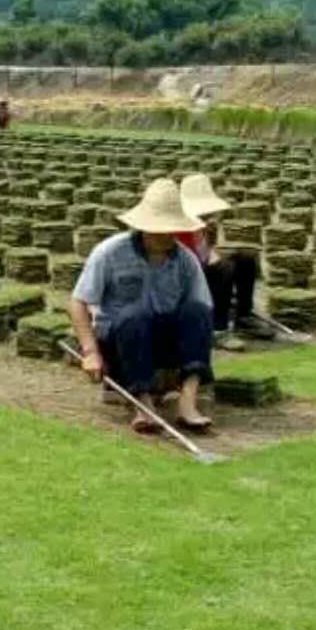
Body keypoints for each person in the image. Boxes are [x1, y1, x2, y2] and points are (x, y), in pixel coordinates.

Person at [69, 177, 214, 434]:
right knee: (135, 314)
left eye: (172, 228)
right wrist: (90, 352)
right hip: (120, 341)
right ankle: (143, 404)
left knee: (198, 310)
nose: (167, 235)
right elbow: (78, 301)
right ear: (143, 226)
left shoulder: (185, 260)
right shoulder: (109, 252)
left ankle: (187, 400)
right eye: (160, 228)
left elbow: (202, 310)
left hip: (164, 341)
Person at [178, 172, 274, 341]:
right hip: (183, 278)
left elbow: (205, 254)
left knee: (245, 259)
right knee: (223, 269)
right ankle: (218, 329)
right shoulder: (180, 226)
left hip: (199, 269)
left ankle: (243, 315)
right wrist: (216, 261)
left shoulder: (200, 224)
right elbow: (188, 262)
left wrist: (210, 242)